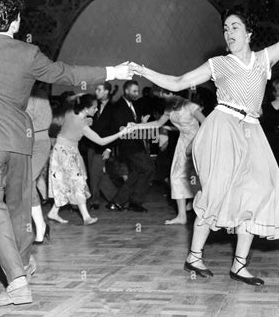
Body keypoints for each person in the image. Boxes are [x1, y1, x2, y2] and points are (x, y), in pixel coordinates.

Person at [130, 0, 279, 285]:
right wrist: (142, 70)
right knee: (215, 195)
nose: (229, 32)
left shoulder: (264, 59)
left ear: (248, 34)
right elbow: (177, 81)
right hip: (222, 128)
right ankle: (194, 257)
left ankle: (239, 265)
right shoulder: (219, 64)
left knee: (256, 196)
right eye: (225, 28)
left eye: (235, 26)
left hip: (252, 132)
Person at [0, 0, 134, 307]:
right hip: (19, 141)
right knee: (20, 207)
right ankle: (23, 264)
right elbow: (66, 73)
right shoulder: (28, 53)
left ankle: (17, 283)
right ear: (16, 22)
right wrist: (113, 72)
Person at [48, 94, 135, 224]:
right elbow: (101, 141)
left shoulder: (72, 113)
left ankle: (53, 212)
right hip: (65, 152)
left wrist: (81, 99)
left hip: (67, 151)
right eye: (94, 108)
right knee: (77, 182)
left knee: (68, 182)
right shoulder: (80, 123)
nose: (96, 110)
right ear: (86, 108)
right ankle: (86, 217)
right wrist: (121, 133)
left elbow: (69, 103)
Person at [130, 91, 205, 224]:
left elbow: (206, 124)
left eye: (163, 93)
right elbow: (158, 124)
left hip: (198, 142)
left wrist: (194, 143)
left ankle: (205, 210)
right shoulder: (170, 108)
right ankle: (182, 216)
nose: (161, 96)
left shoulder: (190, 106)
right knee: (176, 176)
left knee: (200, 177)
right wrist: (136, 126)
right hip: (183, 143)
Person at [107, 80, 155, 213]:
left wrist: (141, 122)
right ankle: (134, 201)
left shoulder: (134, 105)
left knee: (136, 172)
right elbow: (120, 127)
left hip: (136, 143)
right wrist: (136, 125)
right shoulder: (118, 107)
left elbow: (133, 124)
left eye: (137, 91)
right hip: (128, 145)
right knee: (149, 168)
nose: (136, 93)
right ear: (126, 91)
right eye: (134, 91)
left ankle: (118, 202)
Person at [26, 82, 52, 244]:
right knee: (25, 184)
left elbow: (44, 123)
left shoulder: (39, 96)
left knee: (27, 180)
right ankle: (40, 225)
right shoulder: (16, 94)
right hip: (22, 143)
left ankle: (40, 225)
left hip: (39, 144)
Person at [85, 82, 118, 210]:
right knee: (98, 174)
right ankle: (116, 198)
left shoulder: (114, 108)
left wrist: (109, 149)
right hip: (90, 144)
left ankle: (94, 201)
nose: (96, 92)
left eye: (99, 89)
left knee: (94, 173)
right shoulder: (94, 105)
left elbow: (115, 130)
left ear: (106, 92)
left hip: (104, 146)